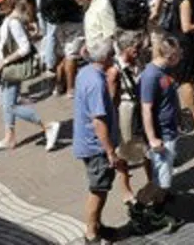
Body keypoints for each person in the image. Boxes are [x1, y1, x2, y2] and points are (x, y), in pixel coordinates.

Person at [0, 0, 59, 153]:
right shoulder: (12, 18)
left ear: (9, 0)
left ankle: (47, 126)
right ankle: (9, 137)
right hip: (6, 68)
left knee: (10, 106)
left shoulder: (13, 22)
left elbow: (25, 48)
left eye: (0, 3)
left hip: (11, 70)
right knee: (4, 103)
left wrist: (2, 62)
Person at [73, 38, 123, 245]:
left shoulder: (86, 72)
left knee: (100, 186)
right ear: (106, 57)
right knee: (99, 190)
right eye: (112, 54)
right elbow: (98, 120)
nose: (114, 57)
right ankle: (91, 233)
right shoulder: (95, 82)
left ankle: (97, 225)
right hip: (95, 146)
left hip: (88, 141)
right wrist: (110, 151)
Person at [138, 36, 183, 224]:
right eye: (179, 54)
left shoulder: (163, 71)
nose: (181, 56)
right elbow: (146, 108)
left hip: (169, 130)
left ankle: (159, 205)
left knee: (163, 177)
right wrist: (152, 138)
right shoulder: (151, 75)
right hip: (162, 134)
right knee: (161, 181)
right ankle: (141, 208)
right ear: (171, 56)